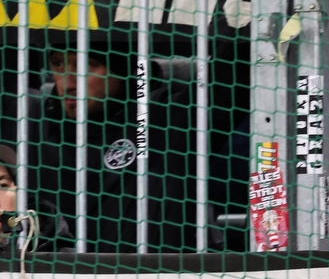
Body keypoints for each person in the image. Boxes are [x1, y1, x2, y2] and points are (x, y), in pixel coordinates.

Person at [30, 42, 202, 253]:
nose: (67, 83)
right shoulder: (37, 129)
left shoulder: (166, 118)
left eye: (85, 65)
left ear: (121, 69)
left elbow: (234, 68)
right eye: (57, 64)